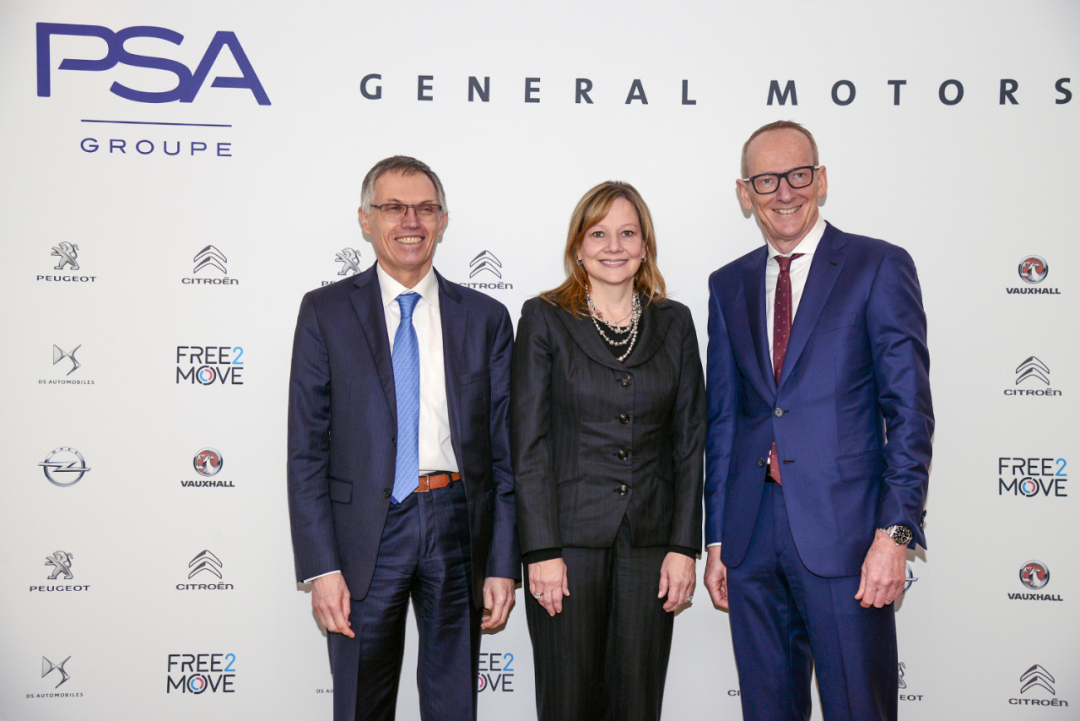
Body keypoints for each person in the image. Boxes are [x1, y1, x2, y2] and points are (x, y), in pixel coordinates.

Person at [703, 121, 934, 721]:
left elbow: (909, 413)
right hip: (751, 539)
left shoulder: (877, 266)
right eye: (766, 180)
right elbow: (724, 420)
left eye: (798, 174)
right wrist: (718, 540)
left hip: (848, 538)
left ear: (821, 179)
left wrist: (894, 535)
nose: (785, 192)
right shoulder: (727, 284)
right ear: (744, 192)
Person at [287, 156, 519, 721]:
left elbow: (505, 454)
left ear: (443, 220)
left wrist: (501, 562)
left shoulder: (486, 317)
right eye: (393, 207)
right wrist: (321, 567)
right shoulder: (324, 312)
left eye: (425, 208)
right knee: (361, 701)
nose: (410, 221)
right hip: (364, 533)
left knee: (453, 702)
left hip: (457, 521)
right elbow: (306, 450)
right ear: (366, 219)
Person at [511, 181, 705, 721]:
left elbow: (690, 442)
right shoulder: (544, 317)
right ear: (578, 246)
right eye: (598, 234)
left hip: (652, 546)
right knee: (567, 703)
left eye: (627, 233)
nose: (613, 246)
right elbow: (528, 443)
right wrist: (539, 550)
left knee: (638, 703)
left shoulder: (675, 321)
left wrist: (683, 546)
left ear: (645, 246)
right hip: (566, 546)